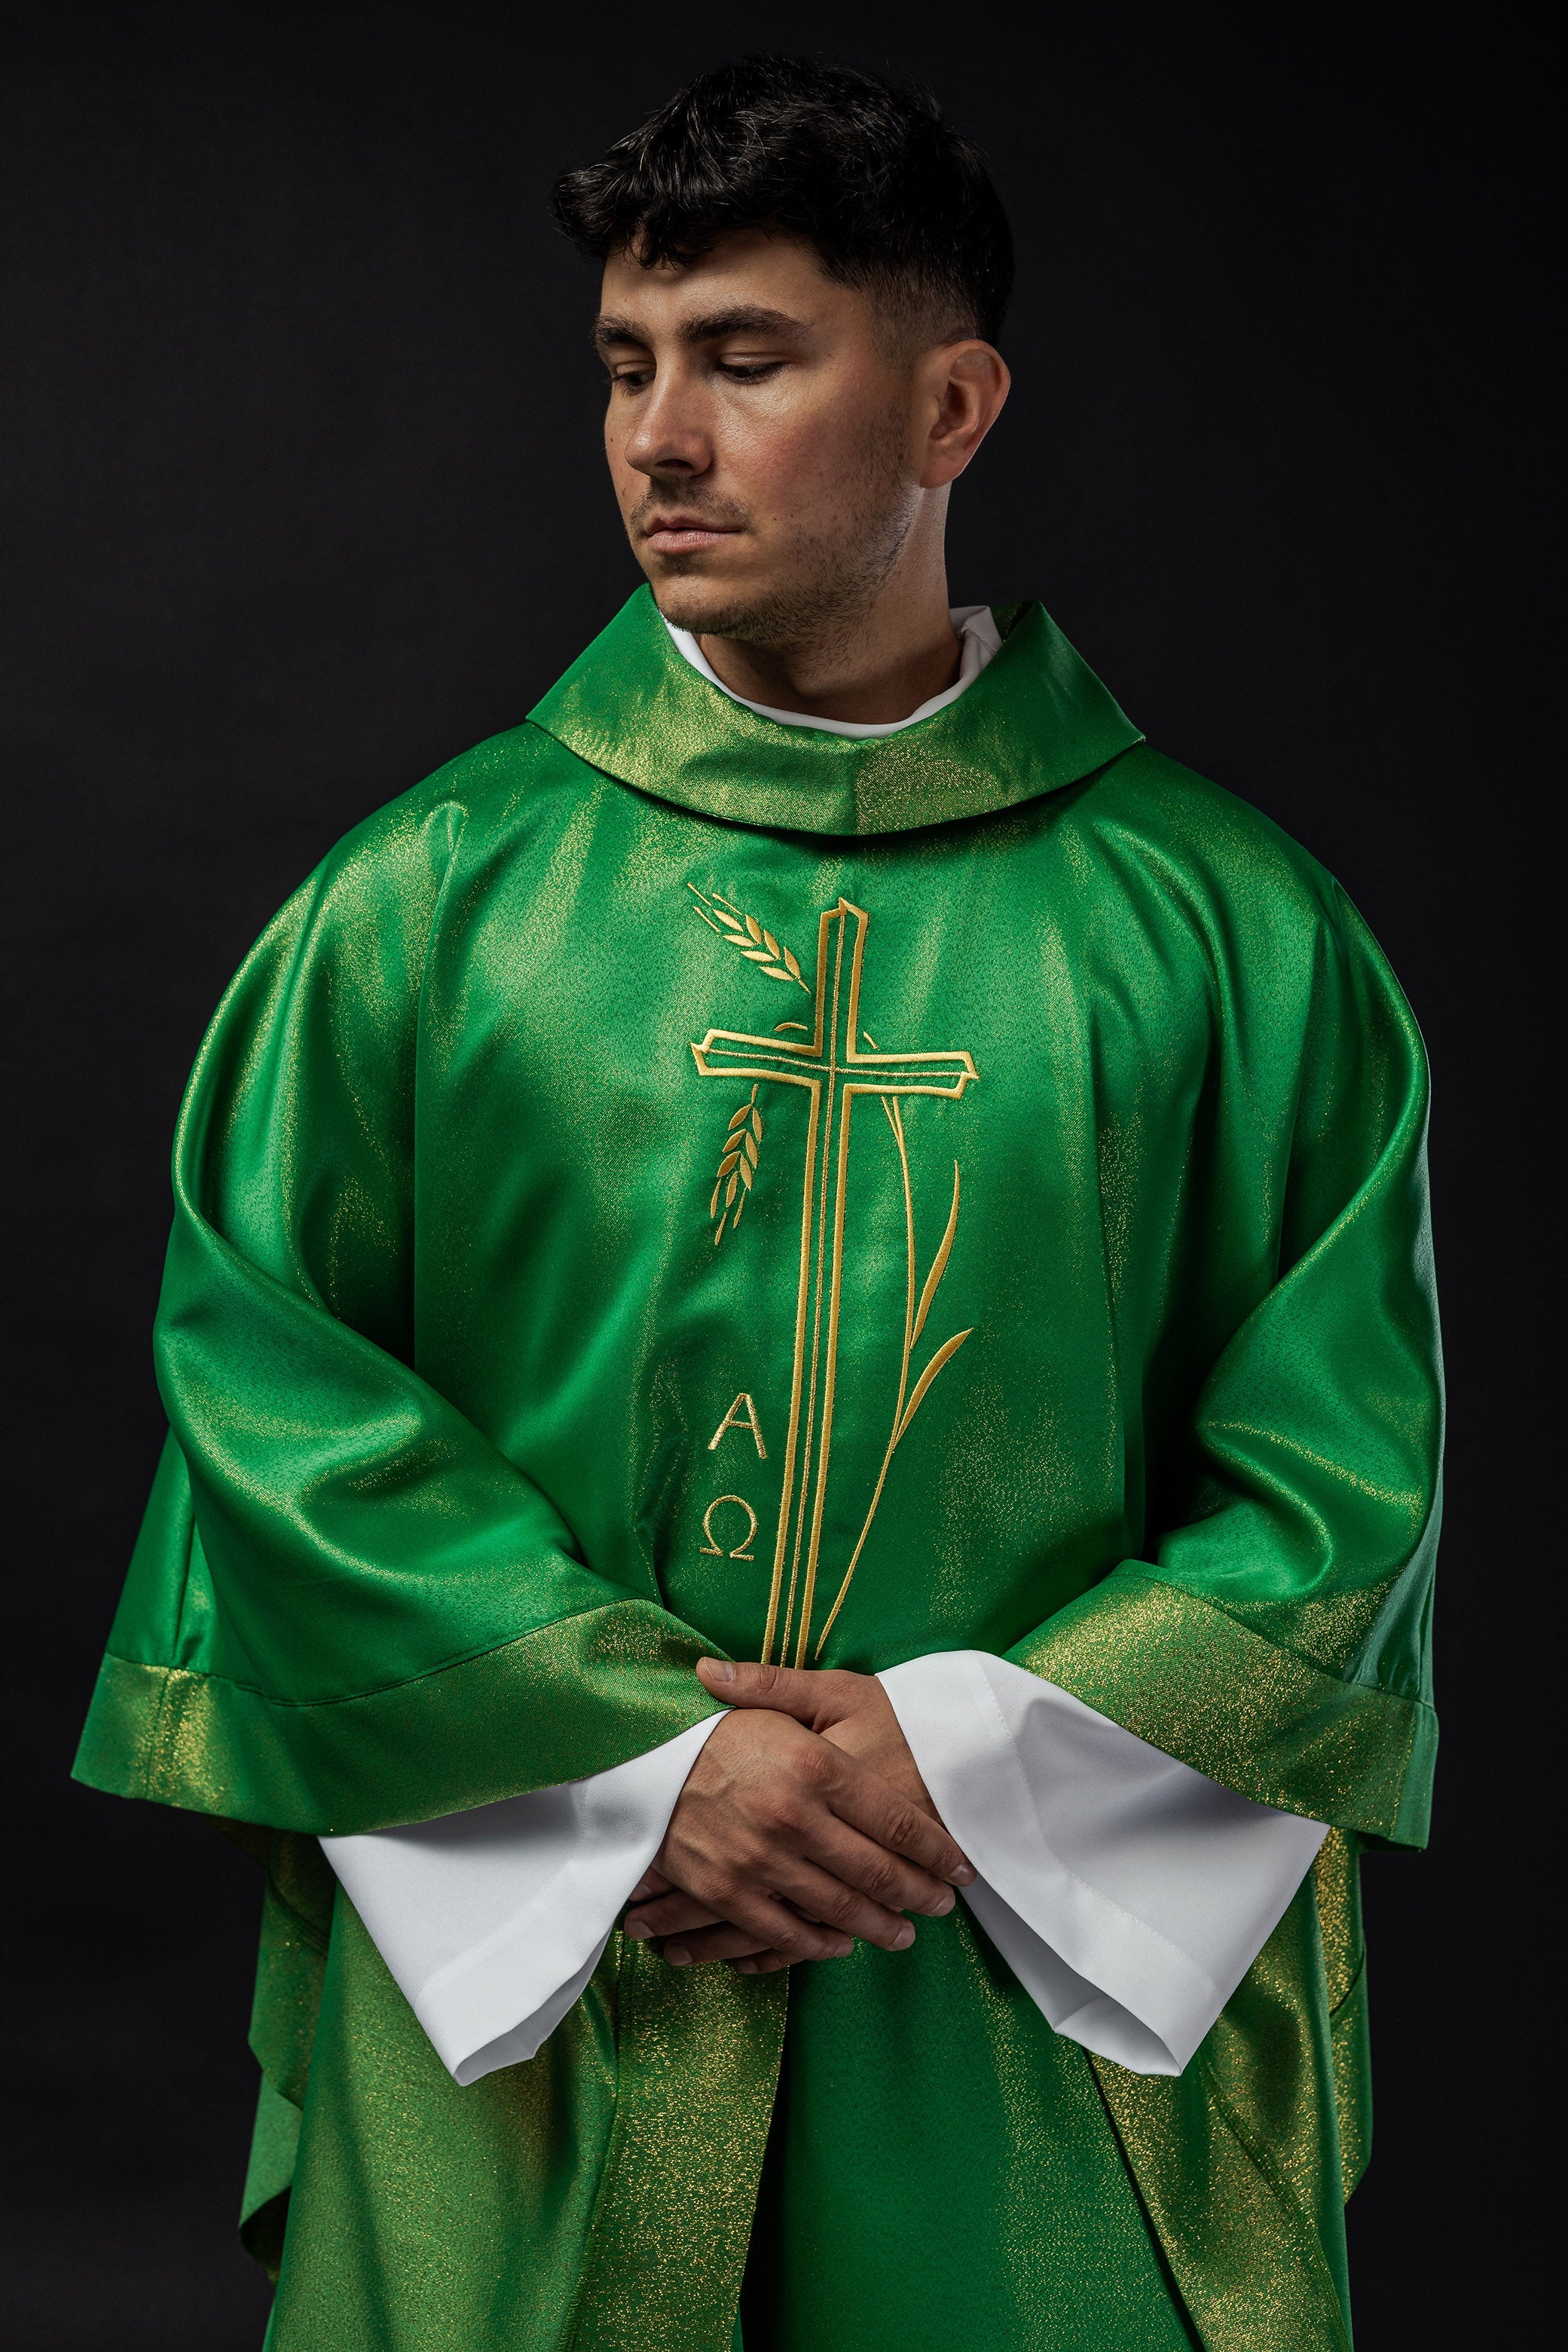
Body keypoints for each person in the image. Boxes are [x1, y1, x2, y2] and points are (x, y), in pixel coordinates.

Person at [75, 54, 1441, 2352]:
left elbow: (1336, 1481)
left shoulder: (1226, 930)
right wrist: (646, 1759)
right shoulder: (429, 904)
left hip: (1009, 1987)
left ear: (951, 406)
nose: (655, 438)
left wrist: (962, 1759)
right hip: (563, 1964)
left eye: (746, 358)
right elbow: (267, 1395)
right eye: (625, 362)